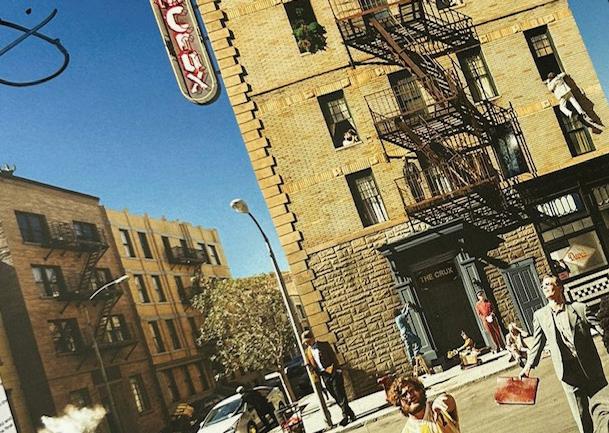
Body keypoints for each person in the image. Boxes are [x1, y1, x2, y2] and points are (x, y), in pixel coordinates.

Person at [519, 275, 607, 433]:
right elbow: (537, 344)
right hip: (567, 372)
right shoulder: (540, 315)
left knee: (604, 407)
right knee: (581, 415)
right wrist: (528, 367)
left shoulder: (579, 308)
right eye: (543, 285)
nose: (545, 288)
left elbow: (601, 329)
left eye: (549, 284)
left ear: (560, 287)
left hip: (590, 367)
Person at [302, 330, 356, 426]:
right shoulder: (308, 352)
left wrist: (338, 369)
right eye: (305, 342)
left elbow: (334, 357)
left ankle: (345, 416)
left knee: (340, 394)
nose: (306, 343)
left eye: (307, 341)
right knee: (335, 396)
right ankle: (351, 414)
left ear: (312, 338)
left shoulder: (324, 345)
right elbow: (311, 366)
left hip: (333, 371)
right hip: (324, 375)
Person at [389, 375, 460, 433]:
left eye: (412, 390)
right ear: (399, 404)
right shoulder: (408, 431)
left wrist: (440, 403)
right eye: (404, 395)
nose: (410, 396)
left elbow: (448, 401)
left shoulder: (438, 410)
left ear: (420, 390)